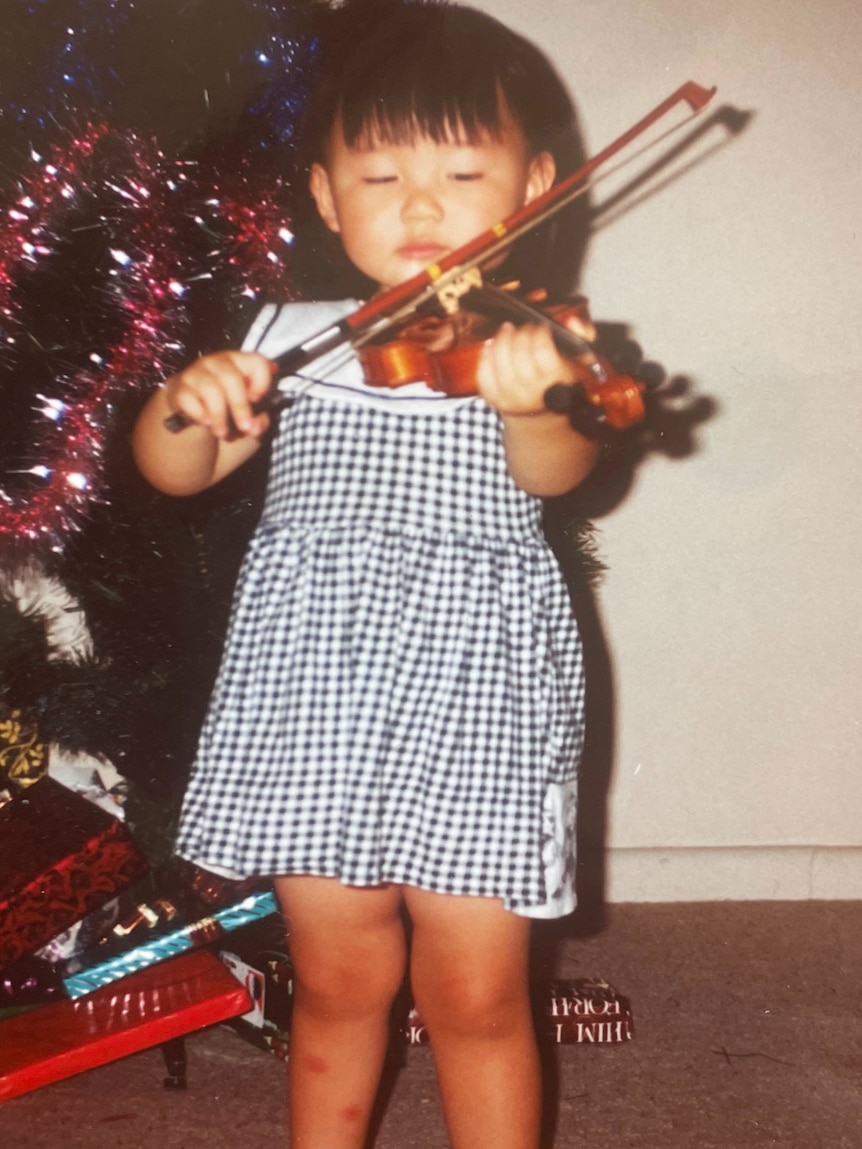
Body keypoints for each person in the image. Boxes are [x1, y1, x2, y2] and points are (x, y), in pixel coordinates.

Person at [133, 3, 599, 1146]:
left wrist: (533, 400)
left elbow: (557, 471)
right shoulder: (290, 335)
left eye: (459, 169)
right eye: (380, 174)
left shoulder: (536, 345)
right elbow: (177, 471)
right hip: (312, 699)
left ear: (532, 187)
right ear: (329, 199)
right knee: (337, 982)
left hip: (475, 701)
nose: (422, 205)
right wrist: (186, 407)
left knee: (476, 994)